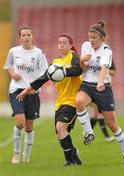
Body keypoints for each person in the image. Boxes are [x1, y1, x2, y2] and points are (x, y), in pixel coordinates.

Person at [16, 34, 82, 166]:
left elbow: (78, 70)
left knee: (60, 128)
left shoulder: (74, 57)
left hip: (73, 100)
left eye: (64, 43)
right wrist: (27, 90)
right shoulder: (55, 63)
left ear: (70, 45)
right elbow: (43, 78)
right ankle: (74, 154)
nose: (61, 45)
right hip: (60, 102)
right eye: (59, 43)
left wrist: (63, 71)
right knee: (60, 133)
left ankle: (70, 161)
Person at [75, 20, 124, 164]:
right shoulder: (85, 46)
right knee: (79, 101)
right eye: (89, 37)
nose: (91, 40)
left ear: (101, 38)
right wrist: (82, 60)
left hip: (103, 88)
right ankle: (89, 132)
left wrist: (101, 82)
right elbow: (83, 69)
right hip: (87, 85)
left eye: (94, 38)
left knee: (112, 124)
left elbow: (105, 68)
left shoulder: (107, 50)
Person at [4, 26, 48, 164]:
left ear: (32, 36)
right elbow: (8, 66)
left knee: (29, 127)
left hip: (32, 92)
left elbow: (45, 73)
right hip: (16, 90)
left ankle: (26, 155)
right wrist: (13, 74)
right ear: (20, 37)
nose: (26, 37)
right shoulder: (13, 51)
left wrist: (36, 87)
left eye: (28, 35)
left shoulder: (39, 53)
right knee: (20, 123)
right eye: (23, 35)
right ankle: (16, 154)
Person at [90, 61, 116, 143]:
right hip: (95, 88)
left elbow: (113, 72)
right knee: (99, 114)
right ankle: (107, 137)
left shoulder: (109, 59)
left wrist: (104, 70)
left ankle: (88, 132)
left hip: (105, 89)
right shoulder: (94, 59)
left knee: (96, 115)